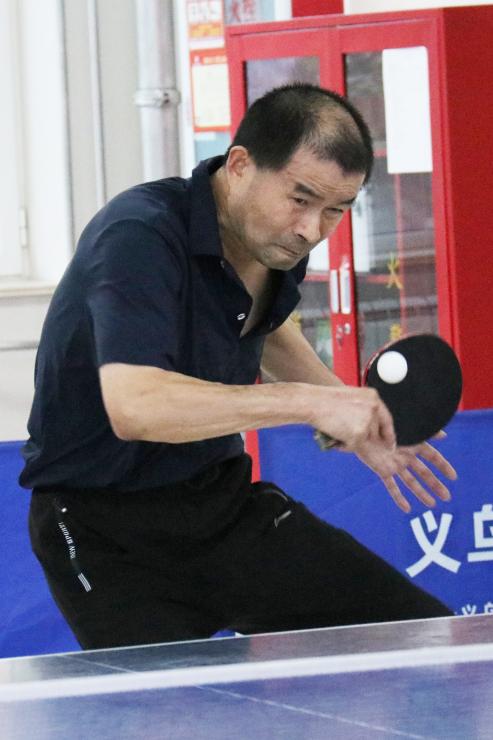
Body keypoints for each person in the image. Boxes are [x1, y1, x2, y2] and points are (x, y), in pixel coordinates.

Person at [21, 83, 455, 650]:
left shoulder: (275, 241)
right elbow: (136, 406)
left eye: (336, 210)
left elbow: (263, 325)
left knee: (428, 641)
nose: (312, 229)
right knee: (169, 700)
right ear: (241, 164)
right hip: (101, 529)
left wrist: (352, 413)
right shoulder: (139, 236)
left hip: (219, 507)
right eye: (300, 199)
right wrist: (307, 404)